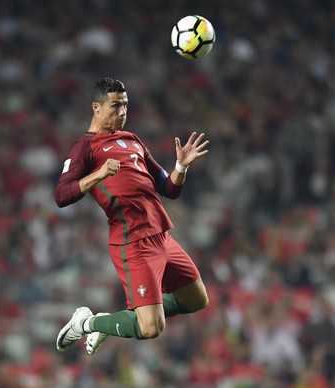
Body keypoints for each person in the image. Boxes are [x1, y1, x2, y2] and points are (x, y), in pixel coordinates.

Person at [54, 77, 210, 355]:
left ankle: (115, 322)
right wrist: (97, 174)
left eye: (125, 105)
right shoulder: (84, 147)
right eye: (115, 106)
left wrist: (181, 167)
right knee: (151, 328)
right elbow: (61, 195)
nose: (123, 112)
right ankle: (88, 323)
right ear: (96, 108)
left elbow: (168, 188)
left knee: (197, 300)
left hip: (162, 237)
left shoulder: (132, 140)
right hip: (133, 242)